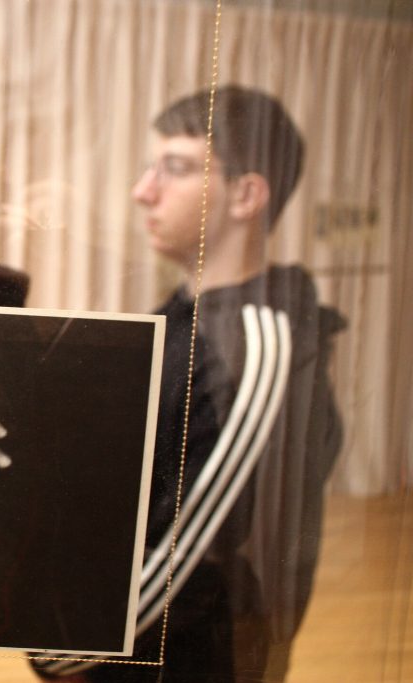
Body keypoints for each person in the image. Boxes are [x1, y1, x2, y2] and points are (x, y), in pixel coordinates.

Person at [33, 86, 344, 682]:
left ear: (246, 195)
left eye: (174, 169)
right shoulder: (179, 318)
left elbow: (191, 551)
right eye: (151, 168)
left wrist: (63, 647)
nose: (142, 191)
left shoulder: (252, 347)